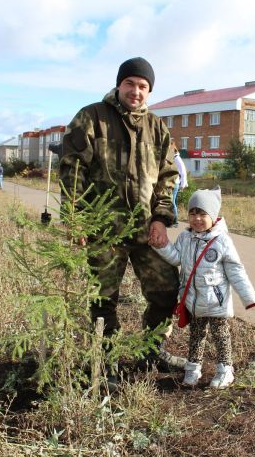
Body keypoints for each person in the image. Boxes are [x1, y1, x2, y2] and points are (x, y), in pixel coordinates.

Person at [58, 57, 185, 380]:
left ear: (149, 91)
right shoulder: (92, 118)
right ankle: (106, 361)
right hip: (104, 230)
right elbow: (72, 170)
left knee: (167, 289)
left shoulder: (156, 127)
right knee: (104, 299)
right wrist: (76, 219)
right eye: (130, 83)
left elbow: (168, 177)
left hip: (146, 230)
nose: (136, 91)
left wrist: (161, 218)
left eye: (143, 86)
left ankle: (150, 351)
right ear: (119, 84)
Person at [153, 187, 255, 389]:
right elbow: (177, 258)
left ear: (213, 215)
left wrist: (248, 297)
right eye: (192, 214)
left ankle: (225, 370)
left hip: (216, 302)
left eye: (202, 214)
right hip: (193, 301)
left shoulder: (222, 241)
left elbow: (236, 271)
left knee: (221, 336)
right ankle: (193, 369)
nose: (197, 219)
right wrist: (162, 246)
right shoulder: (185, 238)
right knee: (196, 335)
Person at [171, 145, 188, 226]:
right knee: (171, 201)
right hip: (171, 183)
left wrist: (183, 184)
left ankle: (175, 222)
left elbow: (183, 171)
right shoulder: (172, 157)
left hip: (175, 183)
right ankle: (171, 220)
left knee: (172, 202)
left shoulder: (176, 158)